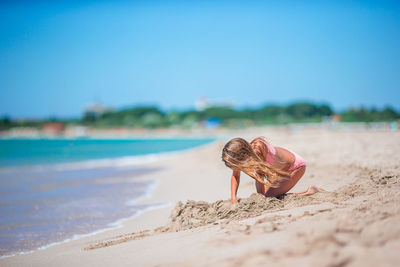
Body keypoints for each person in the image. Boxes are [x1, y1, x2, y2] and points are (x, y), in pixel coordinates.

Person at [221, 137, 324, 204]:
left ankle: (309, 192)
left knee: (269, 197)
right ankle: (307, 191)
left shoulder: (259, 148)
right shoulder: (246, 156)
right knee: (270, 195)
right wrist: (233, 198)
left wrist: (261, 199)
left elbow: (260, 180)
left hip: (295, 166)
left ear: (241, 155)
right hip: (280, 170)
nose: (237, 167)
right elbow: (235, 175)